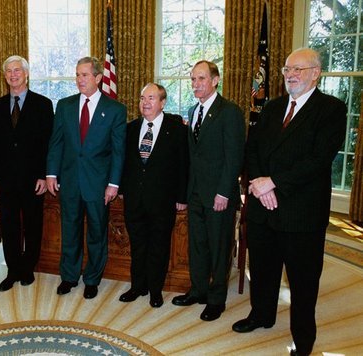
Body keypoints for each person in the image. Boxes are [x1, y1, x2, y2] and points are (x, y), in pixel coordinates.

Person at [232, 48, 347, 356]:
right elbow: (252, 149)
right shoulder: (272, 108)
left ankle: (303, 338)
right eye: (286, 69)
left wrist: (275, 182)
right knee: (263, 269)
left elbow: (319, 159)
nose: (290, 75)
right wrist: (258, 183)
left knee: (303, 280)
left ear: (315, 73)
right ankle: (261, 315)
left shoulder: (331, 109)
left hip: (301, 212)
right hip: (262, 208)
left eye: (298, 69)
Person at [46, 56, 127, 299]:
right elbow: (56, 142)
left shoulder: (115, 109)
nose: (79, 79)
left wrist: (113, 183)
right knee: (69, 230)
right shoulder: (65, 105)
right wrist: (51, 173)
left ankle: (92, 278)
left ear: (99, 78)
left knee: (96, 233)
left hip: (98, 184)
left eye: (84, 75)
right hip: (69, 181)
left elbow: (118, 150)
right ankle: (69, 276)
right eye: (77, 74)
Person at [172, 60, 246, 322]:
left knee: (219, 249)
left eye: (201, 79)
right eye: (192, 79)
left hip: (219, 196)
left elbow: (234, 157)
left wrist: (224, 192)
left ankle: (216, 300)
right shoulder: (193, 111)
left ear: (215, 80)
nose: (195, 84)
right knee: (198, 247)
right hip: (196, 194)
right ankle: (198, 290)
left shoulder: (230, 112)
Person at [0, 55, 54, 292]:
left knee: (33, 225)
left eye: (17, 70)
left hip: (33, 179)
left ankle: (28, 269)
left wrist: (44, 175)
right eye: (9, 71)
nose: (13, 75)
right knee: (9, 225)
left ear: (26, 74)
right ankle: (12, 270)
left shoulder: (43, 104)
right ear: (4, 76)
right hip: (5, 180)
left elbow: (48, 143)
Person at [119, 83, 188, 308]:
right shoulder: (130, 129)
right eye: (142, 98)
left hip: (163, 200)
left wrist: (182, 196)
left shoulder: (177, 129)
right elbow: (124, 163)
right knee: (137, 245)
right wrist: (121, 189)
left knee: (159, 246)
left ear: (162, 102)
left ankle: (155, 290)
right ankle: (138, 286)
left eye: (150, 98)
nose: (145, 103)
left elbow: (183, 166)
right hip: (134, 200)